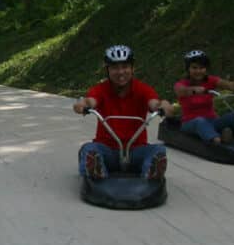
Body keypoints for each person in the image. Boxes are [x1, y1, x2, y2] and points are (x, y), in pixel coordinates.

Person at [72, 45, 173, 180]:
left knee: (158, 150)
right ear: (107, 70)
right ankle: (96, 173)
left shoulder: (143, 89)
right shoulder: (100, 90)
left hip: (136, 151)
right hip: (108, 150)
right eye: (115, 68)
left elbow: (154, 103)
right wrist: (83, 104)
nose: (120, 72)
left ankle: (150, 175)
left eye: (125, 66)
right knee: (89, 149)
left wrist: (163, 105)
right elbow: (91, 101)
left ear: (132, 68)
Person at [174, 50, 234, 144]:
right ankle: (219, 141)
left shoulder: (210, 80)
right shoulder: (181, 84)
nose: (198, 71)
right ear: (188, 69)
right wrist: (194, 89)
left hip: (212, 121)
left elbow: (231, 85)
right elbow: (181, 91)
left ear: (206, 68)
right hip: (190, 123)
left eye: (202, 68)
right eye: (194, 68)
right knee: (200, 121)